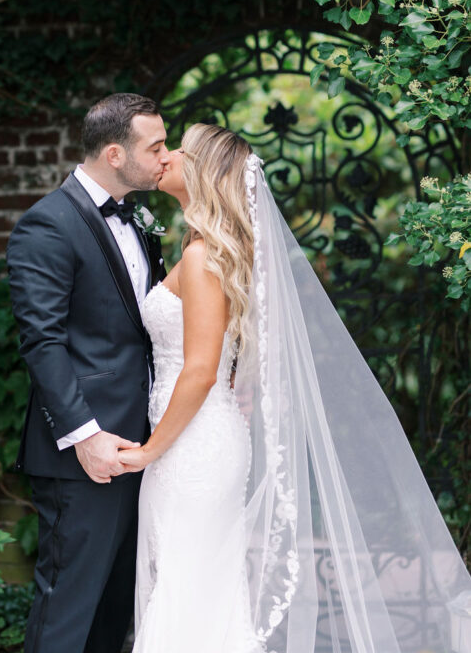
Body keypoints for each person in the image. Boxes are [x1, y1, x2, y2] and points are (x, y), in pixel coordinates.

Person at [119, 123, 471, 653]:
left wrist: (150, 449)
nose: (165, 157)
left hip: (191, 444)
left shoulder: (201, 256)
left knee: (189, 591)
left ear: (205, 172)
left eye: (178, 150)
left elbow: (201, 371)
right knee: (197, 589)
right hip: (197, 437)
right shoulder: (204, 247)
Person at [6, 93, 168, 653]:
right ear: (117, 153)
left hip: (143, 445)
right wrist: (87, 437)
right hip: (87, 454)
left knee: (113, 608)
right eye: (157, 145)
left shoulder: (141, 219)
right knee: (68, 610)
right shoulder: (47, 225)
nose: (165, 156)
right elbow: (42, 342)